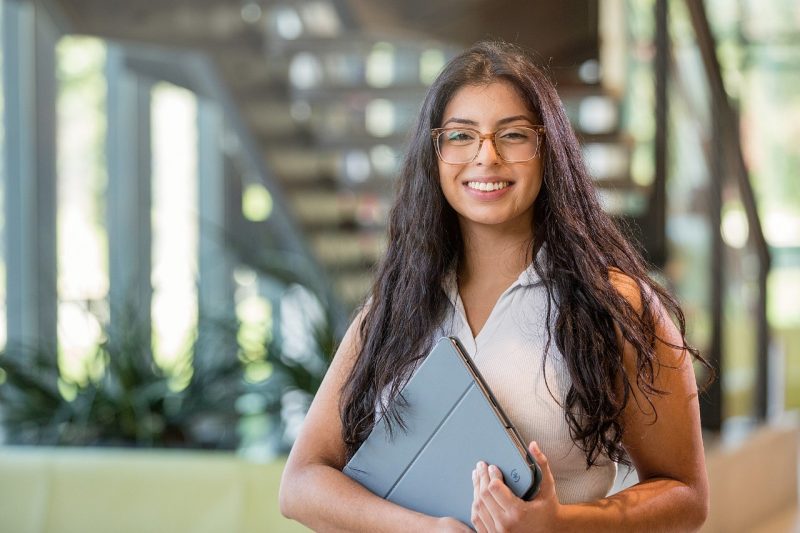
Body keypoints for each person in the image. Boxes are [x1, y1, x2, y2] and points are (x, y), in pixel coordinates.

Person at [279, 40, 712, 532]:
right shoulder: (396, 308)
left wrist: (559, 524)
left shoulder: (616, 305)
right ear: (435, 152)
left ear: (548, 149)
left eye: (513, 135)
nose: (486, 157)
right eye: (461, 136)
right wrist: (426, 530)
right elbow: (300, 484)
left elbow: (686, 497)